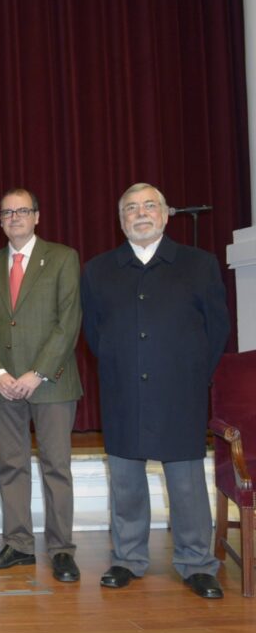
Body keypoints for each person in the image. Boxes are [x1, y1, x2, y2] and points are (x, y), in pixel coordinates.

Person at [81, 183, 230, 599]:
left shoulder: (199, 265)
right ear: (121, 220)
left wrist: (191, 374)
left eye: (150, 206)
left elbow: (217, 330)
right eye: (131, 208)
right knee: (126, 483)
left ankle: (197, 563)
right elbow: (94, 333)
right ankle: (128, 558)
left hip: (180, 392)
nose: (141, 213)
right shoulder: (98, 270)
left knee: (187, 485)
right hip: (123, 391)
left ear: (165, 215)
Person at [0, 188, 83, 583]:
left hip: (51, 383)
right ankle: (18, 545)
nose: (15, 218)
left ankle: (61, 549)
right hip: (4, 386)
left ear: (37, 216)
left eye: (22, 211)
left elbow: (68, 321)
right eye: (7, 213)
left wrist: (37, 372)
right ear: (0, 221)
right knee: (12, 466)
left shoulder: (63, 258)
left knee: (57, 467)